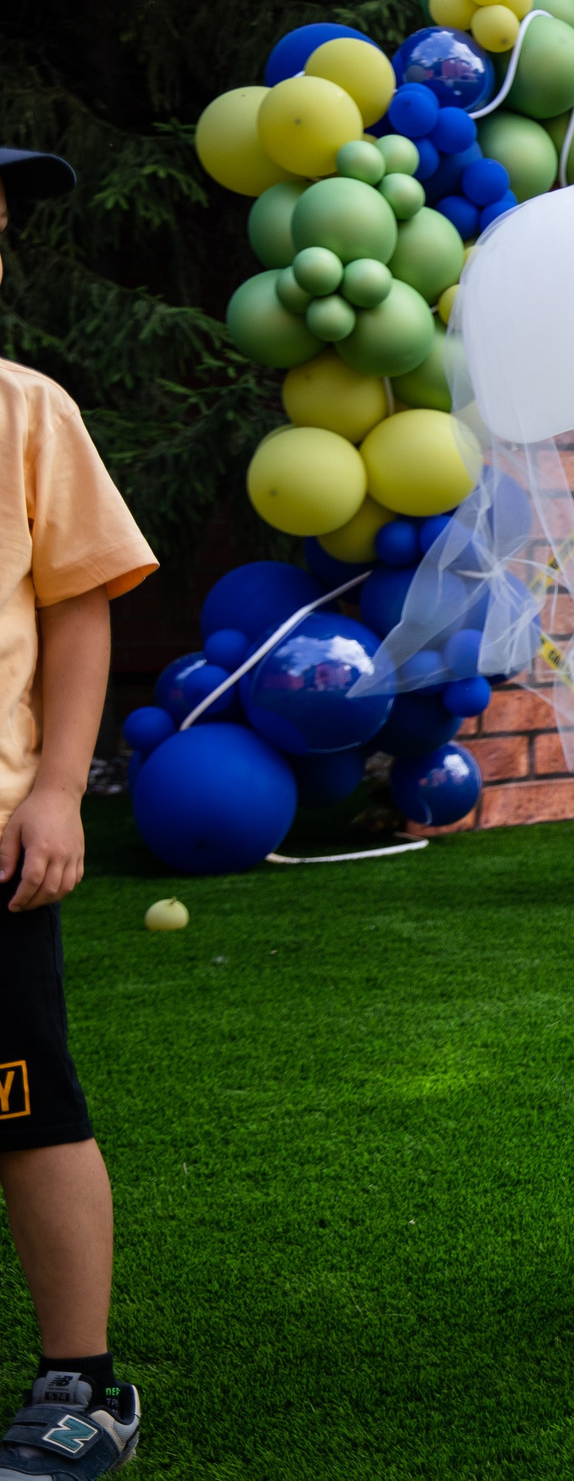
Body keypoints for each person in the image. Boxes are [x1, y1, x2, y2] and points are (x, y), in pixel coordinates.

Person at [0, 146, 159, 1478]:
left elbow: (79, 605)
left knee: (26, 1107)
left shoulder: (25, 411)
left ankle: (83, 1385)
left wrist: (58, 789)